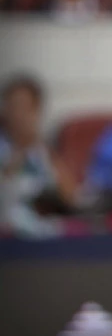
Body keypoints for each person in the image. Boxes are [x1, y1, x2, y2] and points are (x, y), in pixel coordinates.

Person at [0, 75, 77, 238]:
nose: (19, 115)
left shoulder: (43, 148)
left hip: (48, 231)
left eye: (26, 107)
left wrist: (42, 149)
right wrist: (19, 151)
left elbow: (70, 197)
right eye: (13, 106)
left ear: (37, 111)